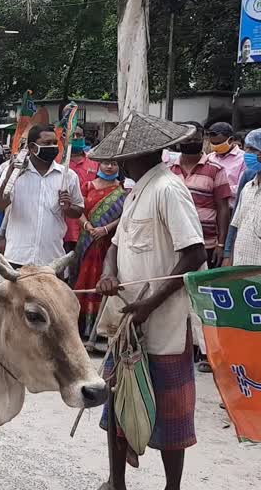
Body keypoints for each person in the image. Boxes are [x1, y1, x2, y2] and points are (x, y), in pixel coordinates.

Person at [93, 114, 207, 490]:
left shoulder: (168, 189)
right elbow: (113, 246)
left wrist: (151, 304)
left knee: (171, 414)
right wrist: (109, 273)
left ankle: (171, 487)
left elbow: (193, 255)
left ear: (132, 159)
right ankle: (116, 481)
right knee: (117, 404)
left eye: (123, 159)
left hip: (162, 324)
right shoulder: (136, 192)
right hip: (127, 321)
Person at [0, 124, 84, 268]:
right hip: (18, 258)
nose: (53, 147)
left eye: (55, 143)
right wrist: (10, 175)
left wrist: (68, 208)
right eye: (47, 143)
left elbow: (78, 211)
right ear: (32, 147)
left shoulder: (68, 176)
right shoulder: (14, 172)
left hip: (52, 259)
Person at [74, 159, 125, 341]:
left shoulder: (124, 190)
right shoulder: (87, 186)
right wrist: (88, 226)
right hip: (86, 241)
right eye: (105, 163)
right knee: (83, 280)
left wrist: (105, 229)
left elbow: (125, 215)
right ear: (98, 165)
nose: (110, 166)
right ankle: (80, 328)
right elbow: (77, 209)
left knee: (104, 280)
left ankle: (100, 330)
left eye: (114, 163)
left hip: (108, 244)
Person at [170, 122, 231, 269]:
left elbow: (223, 208)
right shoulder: (169, 170)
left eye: (196, 139)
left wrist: (221, 244)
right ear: (179, 141)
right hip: (174, 243)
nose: (191, 143)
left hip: (207, 244)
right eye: (187, 139)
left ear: (203, 139)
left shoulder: (216, 170)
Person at [223, 128, 261, 266]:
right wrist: (228, 256)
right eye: (247, 149)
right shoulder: (248, 187)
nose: (247, 154)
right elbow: (236, 224)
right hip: (241, 267)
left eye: (253, 149)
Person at [65, 126, 100, 256]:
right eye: (71, 135)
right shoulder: (59, 162)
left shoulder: (94, 162)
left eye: (78, 135)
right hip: (63, 225)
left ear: (83, 137)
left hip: (88, 223)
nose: (75, 138)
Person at [207, 122, 246, 209]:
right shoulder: (209, 158)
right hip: (210, 208)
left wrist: (217, 189)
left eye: (219, 143)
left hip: (230, 209)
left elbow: (242, 189)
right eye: (213, 143)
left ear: (231, 140)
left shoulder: (243, 159)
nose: (215, 146)